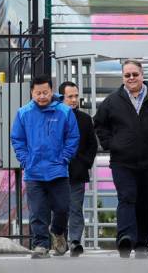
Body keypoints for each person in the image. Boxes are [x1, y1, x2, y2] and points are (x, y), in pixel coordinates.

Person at [94, 59, 148, 259]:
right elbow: (99, 125)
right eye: (127, 75)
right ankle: (125, 237)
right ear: (122, 77)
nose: (131, 78)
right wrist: (110, 144)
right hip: (122, 162)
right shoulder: (112, 101)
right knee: (126, 197)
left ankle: (142, 242)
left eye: (134, 74)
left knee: (145, 202)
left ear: (142, 75)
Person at [11, 74, 80, 259]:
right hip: (34, 171)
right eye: (38, 93)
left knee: (62, 208)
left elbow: (72, 137)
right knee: (37, 211)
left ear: (52, 91)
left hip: (58, 170)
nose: (42, 96)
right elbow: (17, 139)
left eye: (46, 92)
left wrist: (65, 157)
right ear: (32, 93)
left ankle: (58, 233)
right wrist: (25, 159)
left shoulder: (64, 112)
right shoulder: (23, 113)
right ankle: (41, 245)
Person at [58, 81, 98, 257]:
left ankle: (75, 241)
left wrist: (84, 163)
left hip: (77, 172)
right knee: (59, 209)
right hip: (56, 173)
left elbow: (92, 145)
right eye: (70, 97)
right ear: (61, 98)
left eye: (76, 96)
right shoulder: (54, 117)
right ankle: (59, 241)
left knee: (75, 208)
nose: (74, 100)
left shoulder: (85, 119)